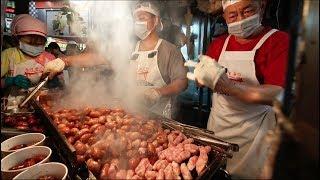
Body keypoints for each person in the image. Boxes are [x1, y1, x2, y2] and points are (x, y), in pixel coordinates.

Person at [191, 0, 289, 178]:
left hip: (255, 134)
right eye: (233, 15)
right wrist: (201, 77)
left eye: (247, 11)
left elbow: (279, 93)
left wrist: (230, 87)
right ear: (224, 18)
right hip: (218, 128)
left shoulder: (278, 41)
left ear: (261, 7)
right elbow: (201, 81)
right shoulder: (219, 44)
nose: (240, 19)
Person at [46, 1, 188, 119]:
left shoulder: (170, 50)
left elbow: (182, 82)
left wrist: (158, 92)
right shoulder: (130, 47)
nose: (138, 22)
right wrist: (65, 61)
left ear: (156, 20)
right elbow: (98, 58)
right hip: (131, 114)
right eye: (136, 19)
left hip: (159, 117)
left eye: (143, 17)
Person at [1, 14, 58, 89]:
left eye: (39, 44)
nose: (35, 46)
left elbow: (59, 82)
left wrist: (56, 82)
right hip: (14, 100)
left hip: (42, 99)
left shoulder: (49, 58)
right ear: (17, 40)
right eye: (30, 43)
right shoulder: (9, 55)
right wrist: (9, 81)